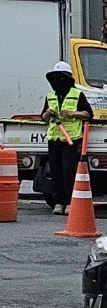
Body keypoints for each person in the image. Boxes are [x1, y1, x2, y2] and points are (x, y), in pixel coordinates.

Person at [40, 60, 93, 215]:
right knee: (55, 171)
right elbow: (43, 118)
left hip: (71, 138)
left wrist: (72, 113)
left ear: (68, 79)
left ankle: (70, 202)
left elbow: (88, 114)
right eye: (56, 78)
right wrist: (47, 114)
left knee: (68, 171)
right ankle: (59, 202)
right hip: (54, 138)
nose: (58, 81)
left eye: (61, 78)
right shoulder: (50, 97)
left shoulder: (77, 95)